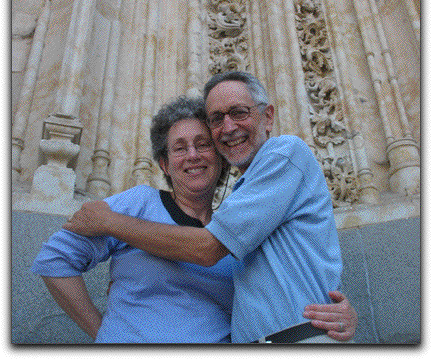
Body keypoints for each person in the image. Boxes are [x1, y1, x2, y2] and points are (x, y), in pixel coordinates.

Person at [65, 71, 358, 344]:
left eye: (239, 112)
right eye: (216, 119)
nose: (228, 127)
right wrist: (109, 332)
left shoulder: (284, 154)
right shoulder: (237, 206)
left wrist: (109, 222)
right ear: (165, 164)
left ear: (267, 116)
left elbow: (206, 250)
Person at [32, 97, 235, 343]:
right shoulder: (140, 202)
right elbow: (55, 258)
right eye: (179, 148)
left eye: (203, 145)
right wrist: (104, 334)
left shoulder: (232, 229)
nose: (192, 155)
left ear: (221, 158)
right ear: (165, 165)